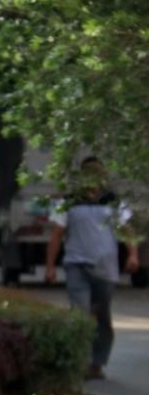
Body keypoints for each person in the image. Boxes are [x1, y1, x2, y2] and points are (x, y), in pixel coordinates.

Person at [45, 156, 140, 380]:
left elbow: (126, 231)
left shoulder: (112, 202)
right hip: (76, 265)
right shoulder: (69, 202)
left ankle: (97, 362)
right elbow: (56, 236)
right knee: (80, 314)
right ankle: (79, 362)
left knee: (102, 315)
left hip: (105, 269)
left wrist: (133, 254)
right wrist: (50, 266)